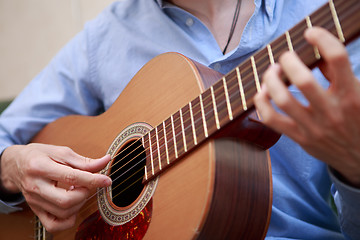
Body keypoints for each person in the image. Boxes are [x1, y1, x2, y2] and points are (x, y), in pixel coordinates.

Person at [0, 0, 359, 239]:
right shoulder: (107, 34)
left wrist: (353, 166)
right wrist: (12, 167)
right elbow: (6, 136)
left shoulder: (326, 16)